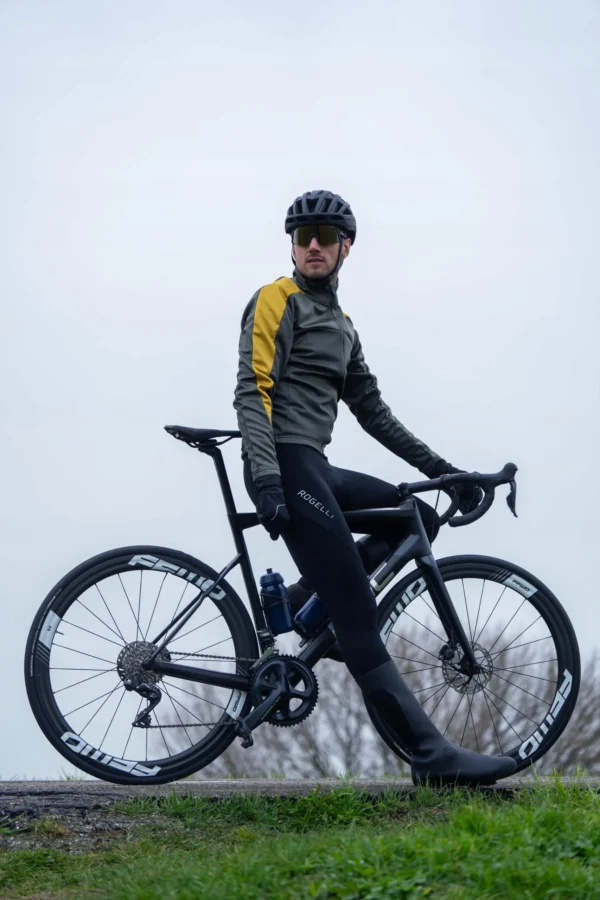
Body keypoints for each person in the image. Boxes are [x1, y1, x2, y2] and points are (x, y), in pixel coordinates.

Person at [233, 189, 516, 786]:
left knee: (417, 516)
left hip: (316, 466)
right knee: (359, 615)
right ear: (292, 245)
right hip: (284, 464)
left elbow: (374, 413)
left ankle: (306, 604)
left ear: (346, 248)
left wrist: (444, 470)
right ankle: (432, 758)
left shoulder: (343, 327)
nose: (313, 245)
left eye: (326, 237)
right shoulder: (275, 299)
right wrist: (265, 476)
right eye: (303, 235)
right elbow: (251, 389)